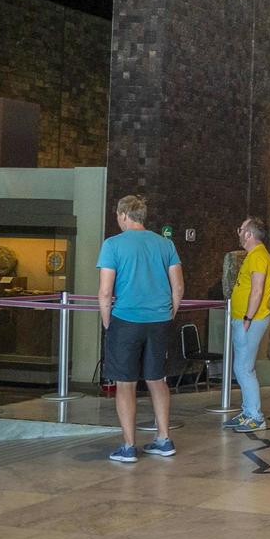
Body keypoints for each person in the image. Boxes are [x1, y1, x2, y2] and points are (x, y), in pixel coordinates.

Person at [97, 195, 184, 463]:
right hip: (158, 321)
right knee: (157, 380)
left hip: (126, 320)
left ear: (124, 215)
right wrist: (169, 314)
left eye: (117, 216)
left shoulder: (112, 245)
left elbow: (105, 290)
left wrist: (107, 321)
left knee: (125, 384)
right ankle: (163, 439)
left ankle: (129, 446)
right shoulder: (165, 244)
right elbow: (178, 287)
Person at [222, 217, 270, 433]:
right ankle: (247, 412)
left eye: (241, 228)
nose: (238, 231)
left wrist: (248, 317)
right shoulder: (255, 256)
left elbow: (257, 289)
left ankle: (255, 416)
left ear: (249, 234)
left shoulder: (258, 257)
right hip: (247, 319)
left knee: (244, 368)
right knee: (242, 367)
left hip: (250, 320)